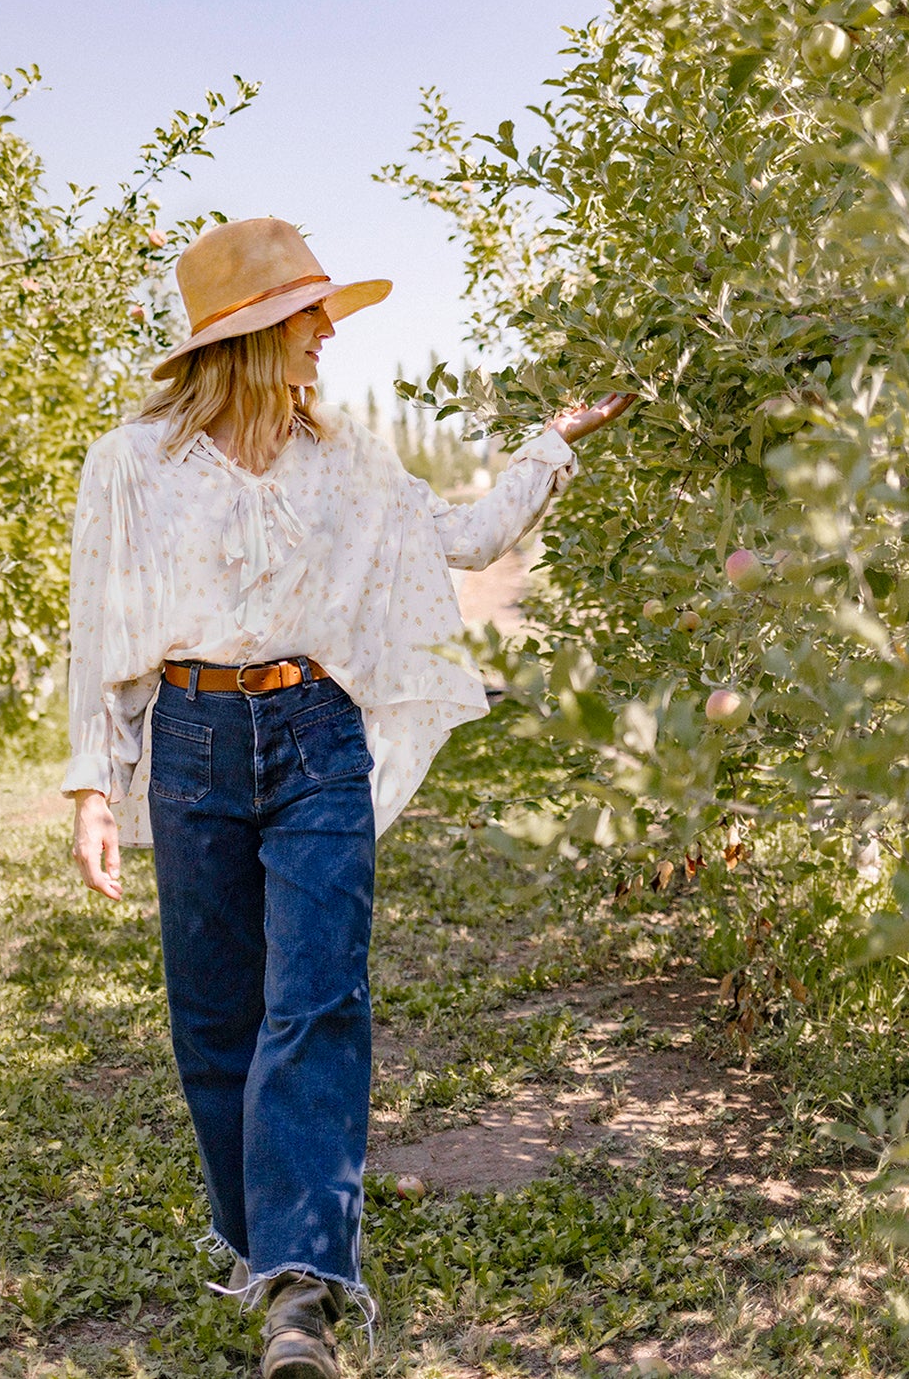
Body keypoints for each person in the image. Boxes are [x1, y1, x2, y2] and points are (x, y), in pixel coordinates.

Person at [62, 217, 628, 1379]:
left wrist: (547, 447)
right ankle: (265, 1238)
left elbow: (465, 537)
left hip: (316, 730)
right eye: (304, 318)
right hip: (191, 738)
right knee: (215, 1014)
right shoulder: (131, 464)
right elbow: (97, 627)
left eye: (321, 316)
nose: (325, 337)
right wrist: (93, 783)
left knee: (316, 998)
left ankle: (299, 1288)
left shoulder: (349, 459)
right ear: (248, 338)